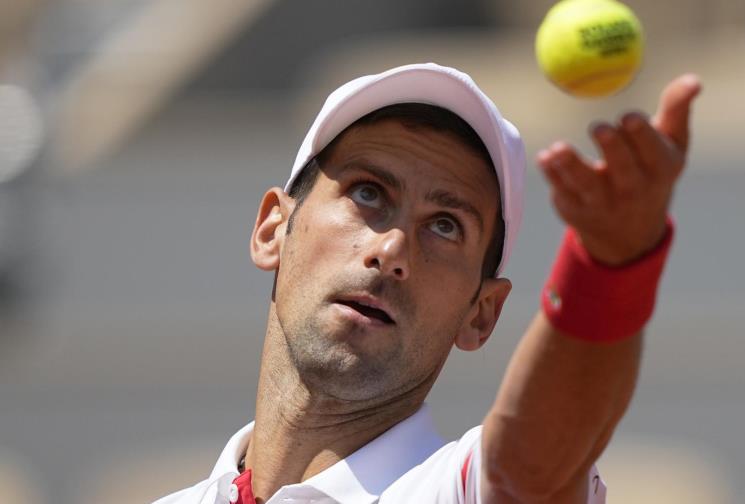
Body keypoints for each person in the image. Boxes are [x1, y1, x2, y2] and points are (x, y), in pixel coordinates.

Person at [154, 62, 700, 504]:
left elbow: (528, 474)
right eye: (368, 193)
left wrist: (610, 266)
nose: (393, 250)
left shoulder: (455, 493)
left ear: (481, 313)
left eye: (445, 226)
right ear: (274, 228)